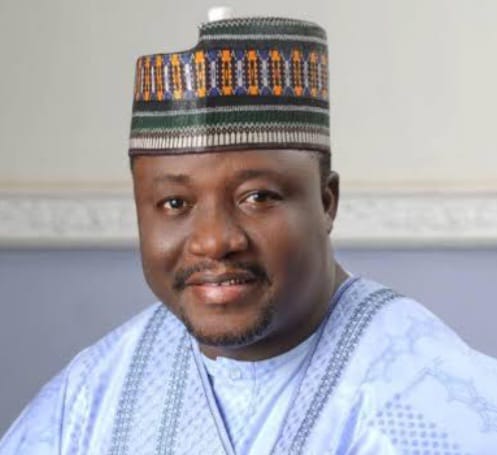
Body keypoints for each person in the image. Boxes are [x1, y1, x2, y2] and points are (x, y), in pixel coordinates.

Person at [1, 12, 497, 455]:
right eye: (175, 203)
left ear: (326, 202)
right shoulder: (93, 394)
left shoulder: (434, 405)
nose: (214, 241)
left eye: (257, 197)